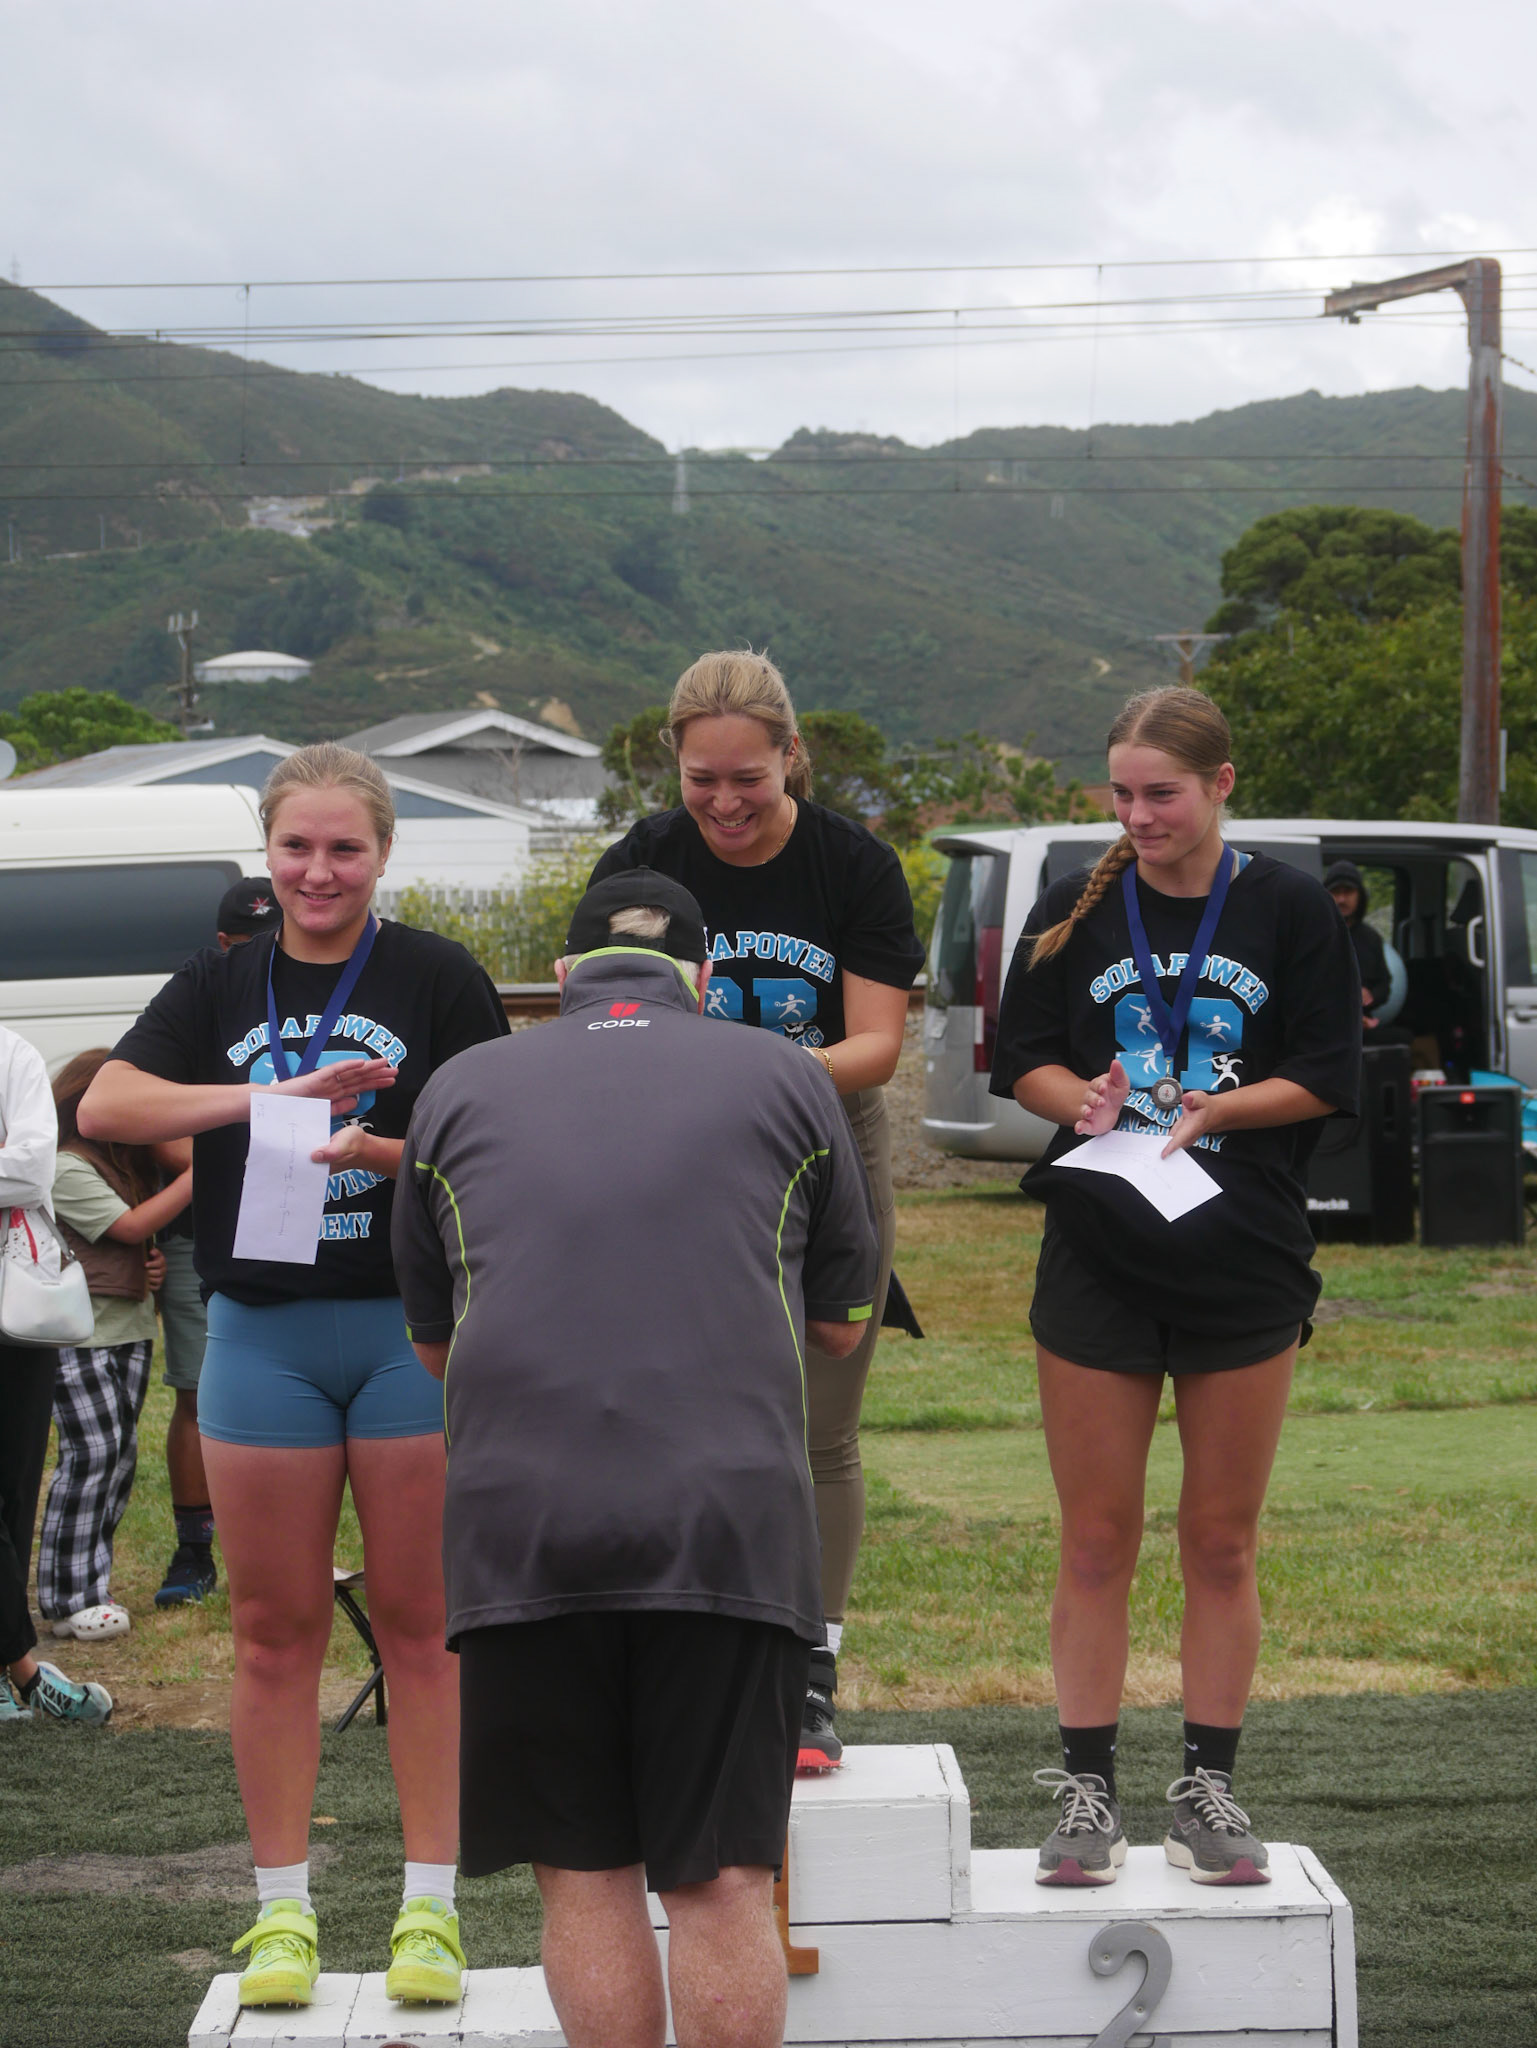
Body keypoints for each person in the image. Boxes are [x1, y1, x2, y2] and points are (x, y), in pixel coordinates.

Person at [391, 869, 879, 2048]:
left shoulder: (457, 1085)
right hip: (724, 1525)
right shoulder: (788, 1074)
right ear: (703, 980)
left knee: (584, 1874)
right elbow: (840, 1324)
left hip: (524, 1526)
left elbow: (434, 1344)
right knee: (720, 1880)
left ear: (562, 975)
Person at [78, 741, 509, 2009]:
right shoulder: (220, 977)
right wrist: (268, 1102)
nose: (320, 870)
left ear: (384, 853)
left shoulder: (436, 973)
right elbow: (107, 1105)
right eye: (297, 847)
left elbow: (497, 1137)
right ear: (267, 853)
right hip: (262, 1332)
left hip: (406, 1333)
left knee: (425, 1628)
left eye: (345, 848)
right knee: (272, 1632)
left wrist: (374, 1147)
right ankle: (281, 1913)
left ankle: (431, 1908)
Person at [989, 686, 1359, 1888]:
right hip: (1098, 1250)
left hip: (1243, 1254)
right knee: (1096, 1538)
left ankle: (1207, 1789)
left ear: (1220, 784)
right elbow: (1025, 1061)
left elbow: (1326, 1072)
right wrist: (1086, 1103)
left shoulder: (1287, 906)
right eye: (1123, 793)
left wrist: (1216, 1110)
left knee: (1221, 1540)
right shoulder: (1075, 902)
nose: (1139, 815)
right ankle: (1086, 1791)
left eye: (1163, 793)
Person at [589, 650, 924, 1769]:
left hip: (824, 1147)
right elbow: (602, 1016)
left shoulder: (852, 864)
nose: (725, 803)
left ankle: (810, 1671)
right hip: (673, 1156)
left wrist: (745, 1077)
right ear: (673, 767)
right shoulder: (640, 862)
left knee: (819, 1427)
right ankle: (682, 1653)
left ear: (791, 755)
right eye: (702, 780)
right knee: (666, 1413)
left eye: (749, 777)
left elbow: (875, 1045)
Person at [35, 1049, 192, 1642]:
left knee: (118, 1458)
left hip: (127, 1330)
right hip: (83, 1338)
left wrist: (149, 1266)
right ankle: (68, 1596)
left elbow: (126, 1240)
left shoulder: (118, 1166)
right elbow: (129, 1226)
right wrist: (202, 1172)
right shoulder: (67, 1166)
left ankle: (89, 1586)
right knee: (92, 1455)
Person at [154, 880, 280, 1608]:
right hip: (208, 1226)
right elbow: (153, 1124)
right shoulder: (203, 995)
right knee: (196, 1390)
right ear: (223, 943)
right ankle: (193, 1546)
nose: (261, 953)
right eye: (245, 942)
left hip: (312, 1218)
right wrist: (234, 1163)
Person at [0, 1024, 115, 1726]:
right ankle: (21, 1667)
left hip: (18, 1306)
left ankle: (12, 1670)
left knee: (15, 1490)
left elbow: (31, 1171)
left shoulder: (9, 1053)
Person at [1322, 859, 1411, 1048]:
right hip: (1323, 1025)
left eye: (1348, 892)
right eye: (1336, 892)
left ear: (1360, 895)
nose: (1342, 899)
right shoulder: (1313, 934)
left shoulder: (1371, 938)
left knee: (1404, 1038)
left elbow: (1384, 985)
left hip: (1362, 1025)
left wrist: (1370, 996)